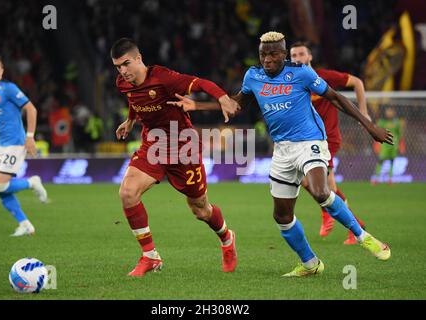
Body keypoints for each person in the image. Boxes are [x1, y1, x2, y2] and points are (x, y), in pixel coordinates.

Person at [169, 31, 393, 277]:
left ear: (284, 54)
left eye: (273, 53)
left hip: (310, 142)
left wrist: (369, 125)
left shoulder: (302, 73)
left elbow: (336, 97)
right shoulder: (253, 76)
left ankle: (363, 237)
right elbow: (236, 105)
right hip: (282, 150)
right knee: (282, 216)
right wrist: (199, 106)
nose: (267, 59)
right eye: (263, 54)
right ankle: (310, 263)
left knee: (320, 192)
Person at [111, 38, 240, 277]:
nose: (123, 71)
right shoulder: (123, 83)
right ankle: (150, 256)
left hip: (183, 147)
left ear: (138, 58)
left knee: (200, 210)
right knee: (128, 193)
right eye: (118, 66)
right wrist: (129, 121)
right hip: (154, 144)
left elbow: (201, 82)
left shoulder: (163, 77)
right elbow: (133, 99)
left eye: (126, 64)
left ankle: (226, 238)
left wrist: (222, 98)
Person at [289, 42, 367, 245]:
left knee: (325, 188)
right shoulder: (291, 82)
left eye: (301, 54)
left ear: (310, 57)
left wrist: (364, 113)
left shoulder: (325, 77)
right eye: (294, 55)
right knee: (307, 182)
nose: (297, 58)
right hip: (305, 140)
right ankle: (329, 213)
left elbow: (357, 82)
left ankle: (354, 227)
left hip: (327, 140)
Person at [0, 53, 48, 236]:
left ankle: (32, 182)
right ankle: (25, 224)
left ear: (2, 71)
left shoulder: (8, 88)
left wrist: (30, 136)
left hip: (16, 142)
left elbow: (31, 109)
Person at [372, 107, 403, 184]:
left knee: (392, 161)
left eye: (391, 111)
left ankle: (390, 179)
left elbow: (399, 135)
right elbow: (377, 133)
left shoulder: (397, 123)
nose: (389, 113)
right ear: (385, 112)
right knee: (381, 160)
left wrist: (400, 145)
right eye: (388, 111)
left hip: (393, 145)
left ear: (394, 112)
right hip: (384, 145)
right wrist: (376, 144)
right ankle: (376, 178)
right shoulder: (382, 122)